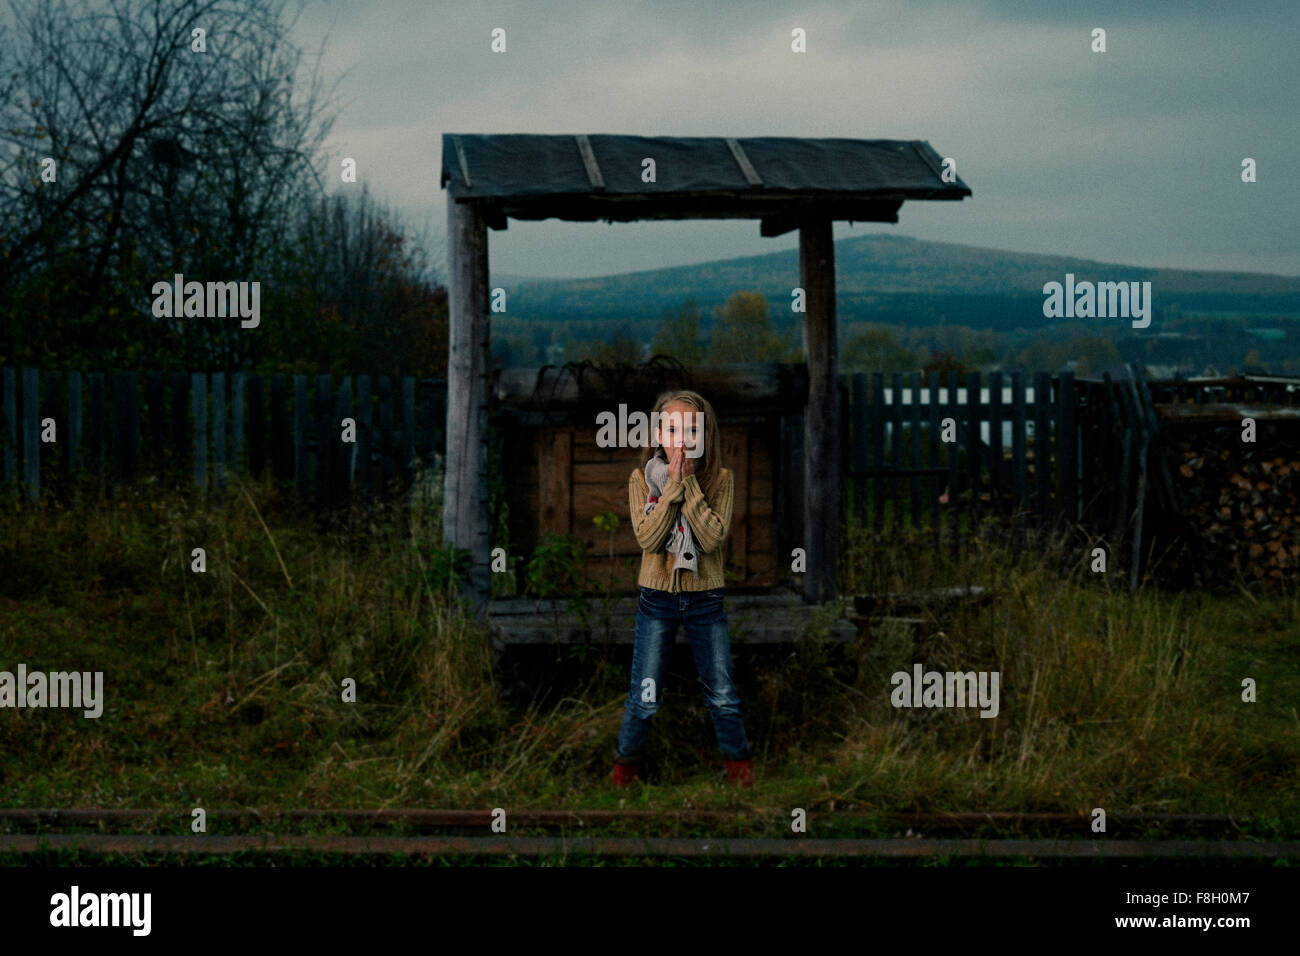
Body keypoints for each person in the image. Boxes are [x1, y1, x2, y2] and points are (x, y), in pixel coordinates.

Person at [613, 389, 753, 788]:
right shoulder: (641, 480)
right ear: (658, 433)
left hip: (705, 600)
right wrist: (671, 487)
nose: (683, 438)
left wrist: (688, 485)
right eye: (673, 428)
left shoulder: (721, 481)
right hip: (656, 600)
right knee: (644, 697)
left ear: (706, 435)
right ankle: (624, 776)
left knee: (723, 694)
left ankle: (740, 776)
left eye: (693, 429)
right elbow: (649, 539)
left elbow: (710, 539)